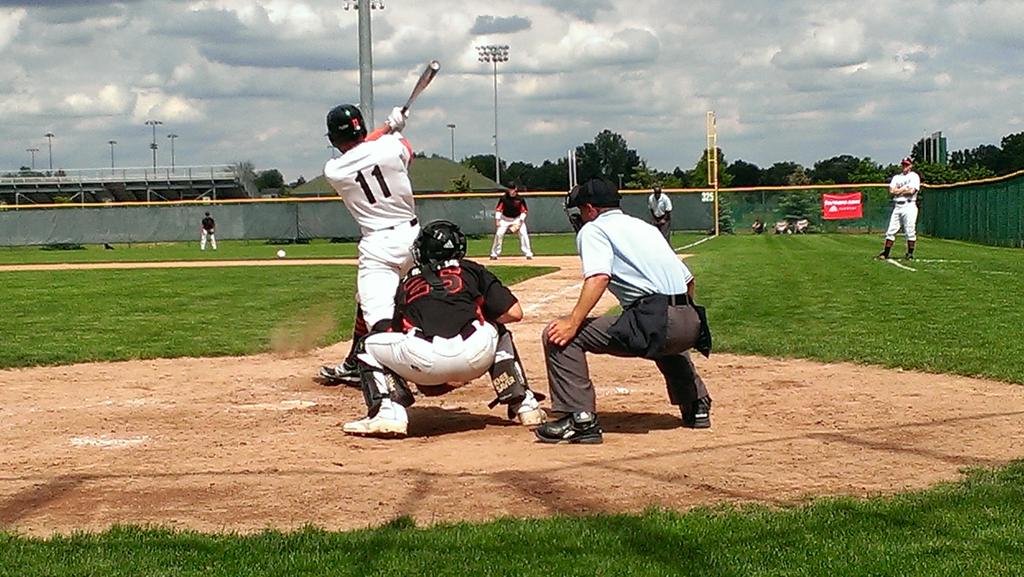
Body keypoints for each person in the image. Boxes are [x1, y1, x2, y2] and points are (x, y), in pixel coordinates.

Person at [535, 178, 713, 445]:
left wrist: (573, 321)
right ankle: (696, 404)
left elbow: (598, 277)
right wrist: (675, 316)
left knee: (559, 336)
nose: (580, 216)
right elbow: (689, 280)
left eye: (581, 210)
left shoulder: (594, 230)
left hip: (657, 320)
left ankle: (579, 419)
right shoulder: (647, 228)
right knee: (665, 338)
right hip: (693, 321)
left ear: (591, 209)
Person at [343, 220, 545, 437]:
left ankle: (388, 412)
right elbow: (515, 313)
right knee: (499, 328)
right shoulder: (471, 268)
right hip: (477, 356)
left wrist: (428, 378)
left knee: (367, 345)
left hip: (423, 363)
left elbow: (394, 331)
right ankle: (524, 404)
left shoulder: (408, 281)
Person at [316, 104, 420, 386]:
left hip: (378, 244)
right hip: (414, 238)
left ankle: (398, 372)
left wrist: (387, 127)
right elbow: (405, 151)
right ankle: (354, 361)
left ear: (332, 140)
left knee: (379, 316)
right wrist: (394, 128)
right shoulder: (391, 146)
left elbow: (359, 151)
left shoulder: (334, 170)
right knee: (414, 299)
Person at [877, 157, 921, 260]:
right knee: (891, 230)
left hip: (909, 205)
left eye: (907, 165)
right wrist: (904, 189)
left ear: (911, 166)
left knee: (910, 230)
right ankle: (886, 253)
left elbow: (912, 191)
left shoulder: (914, 176)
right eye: (903, 165)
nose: (904, 167)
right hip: (897, 206)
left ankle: (910, 253)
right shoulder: (897, 177)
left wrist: (899, 190)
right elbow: (892, 191)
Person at [489, 182, 533, 260]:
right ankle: (494, 254)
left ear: (515, 189)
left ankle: (528, 253)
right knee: (499, 234)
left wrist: (520, 221)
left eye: (512, 189)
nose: (511, 190)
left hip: (517, 218)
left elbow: (524, 211)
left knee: (523, 234)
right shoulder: (504, 198)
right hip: (505, 218)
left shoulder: (520, 199)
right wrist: (497, 220)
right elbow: (499, 209)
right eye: (509, 189)